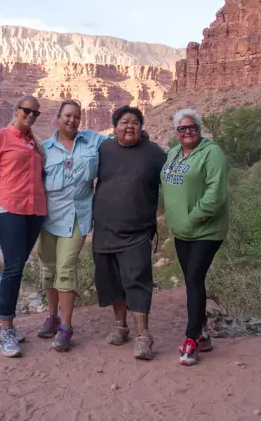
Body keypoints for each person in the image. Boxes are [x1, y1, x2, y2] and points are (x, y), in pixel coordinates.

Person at [92, 105, 166, 361]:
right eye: (124, 122)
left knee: (137, 281)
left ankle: (143, 336)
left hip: (138, 232)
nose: (130, 126)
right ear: (114, 127)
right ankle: (119, 326)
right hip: (104, 230)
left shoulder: (154, 153)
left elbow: (173, 180)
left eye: (135, 122)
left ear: (142, 127)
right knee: (111, 282)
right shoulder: (103, 149)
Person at [36, 100, 108, 352]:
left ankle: (66, 327)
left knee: (65, 269)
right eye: (67, 116)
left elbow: (120, 141)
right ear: (58, 118)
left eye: (76, 117)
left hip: (78, 216)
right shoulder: (45, 149)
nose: (72, 120)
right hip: (48, 217)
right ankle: (53, 317)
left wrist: (140, 134)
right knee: (48, 268)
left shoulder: (93, 141)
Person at [0, 95, 46, 358]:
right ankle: (6, 330)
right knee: (14, 268)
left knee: (16, 267)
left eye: (35, 113)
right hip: (9, 210)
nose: (30, 115)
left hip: (35, 211)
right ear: (17, 110)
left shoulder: (34, 143)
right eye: (27, 110)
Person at [161, 108, 229, 366]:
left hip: (206, 230)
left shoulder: (212, 153)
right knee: (193, 282)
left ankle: (192, 339)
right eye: (182, 128)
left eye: (192, 127)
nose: (188, 131)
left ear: (200, 130)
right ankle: (203, 333)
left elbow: (216, 193)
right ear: (176, 133)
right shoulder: (173, 153)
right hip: (181, 232)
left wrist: (192, 217)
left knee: (193, 278)